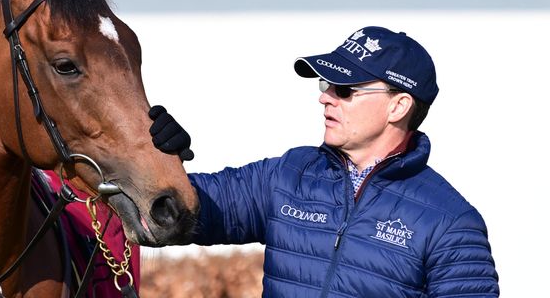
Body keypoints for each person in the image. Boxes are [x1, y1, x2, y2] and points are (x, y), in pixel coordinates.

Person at [149, 26, 499, 297]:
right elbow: (175, 210)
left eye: (345, 90)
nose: (326, 98)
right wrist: (156, 156)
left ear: (399, 106)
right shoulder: (288, 174)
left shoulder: (451, 223)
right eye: (327, 84)